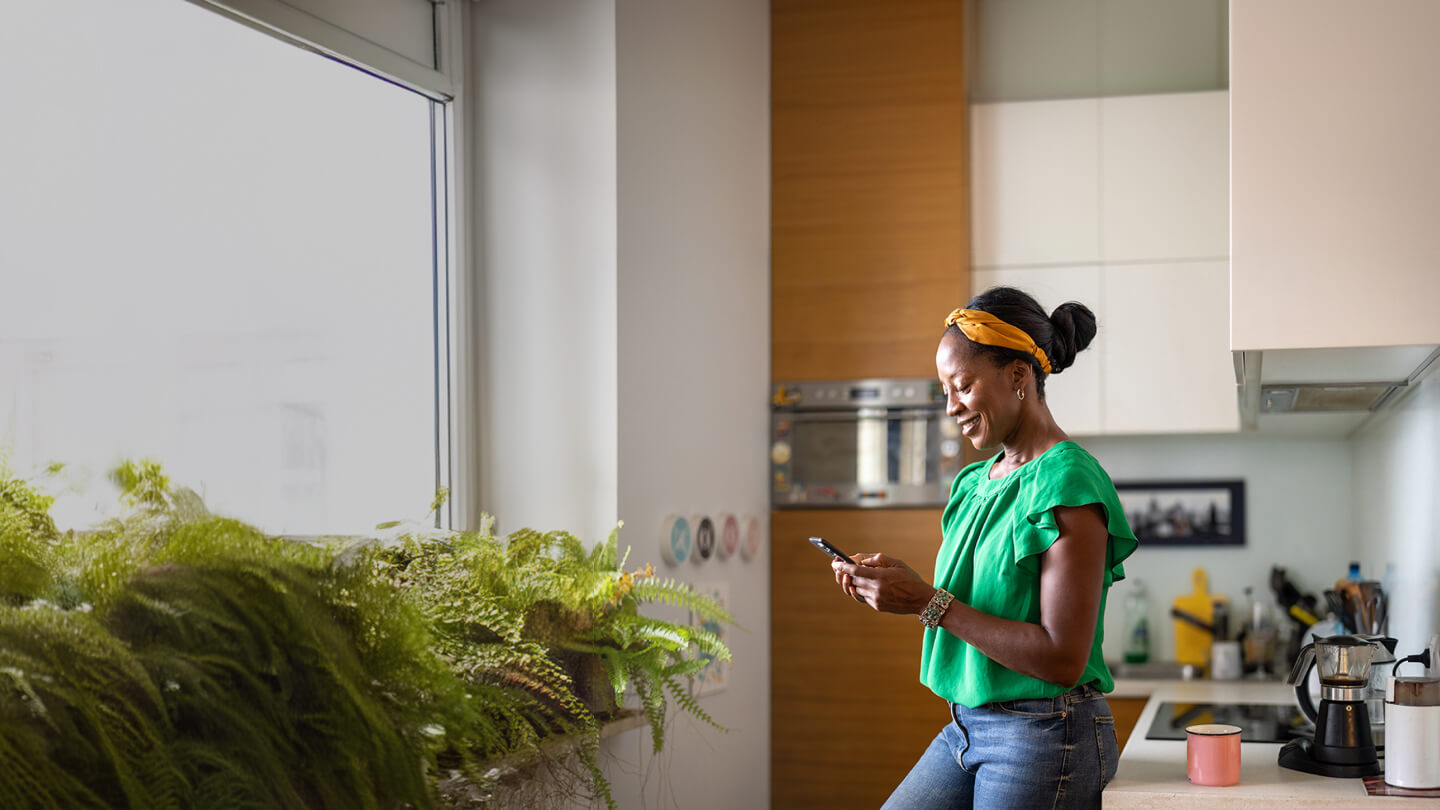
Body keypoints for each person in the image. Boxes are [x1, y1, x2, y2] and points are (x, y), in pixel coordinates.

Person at [832, 286, 1138, 810]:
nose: (951, 407)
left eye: (963, 386)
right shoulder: (974, 483)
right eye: (945, 390)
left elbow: (1063, 658)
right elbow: (970, 603)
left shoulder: (1068, 482)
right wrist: (900, 585)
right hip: (967, 726)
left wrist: (927, 602)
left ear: (1018, 376)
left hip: (1046, 731)